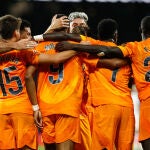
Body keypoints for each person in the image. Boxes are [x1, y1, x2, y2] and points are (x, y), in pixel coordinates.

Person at [55, 15, 150, 150]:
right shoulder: (129, 53)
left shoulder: (91, 50)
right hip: (126, 107)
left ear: (98, 34)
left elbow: (74, 39)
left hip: (104, 106)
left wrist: (73, 47)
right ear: (116, 35)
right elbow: (119, 64)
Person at [0, 14, 77, 150]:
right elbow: (55, 59)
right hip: (22, 108)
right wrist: (79, 48)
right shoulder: (24, 52)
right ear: (16, 32)